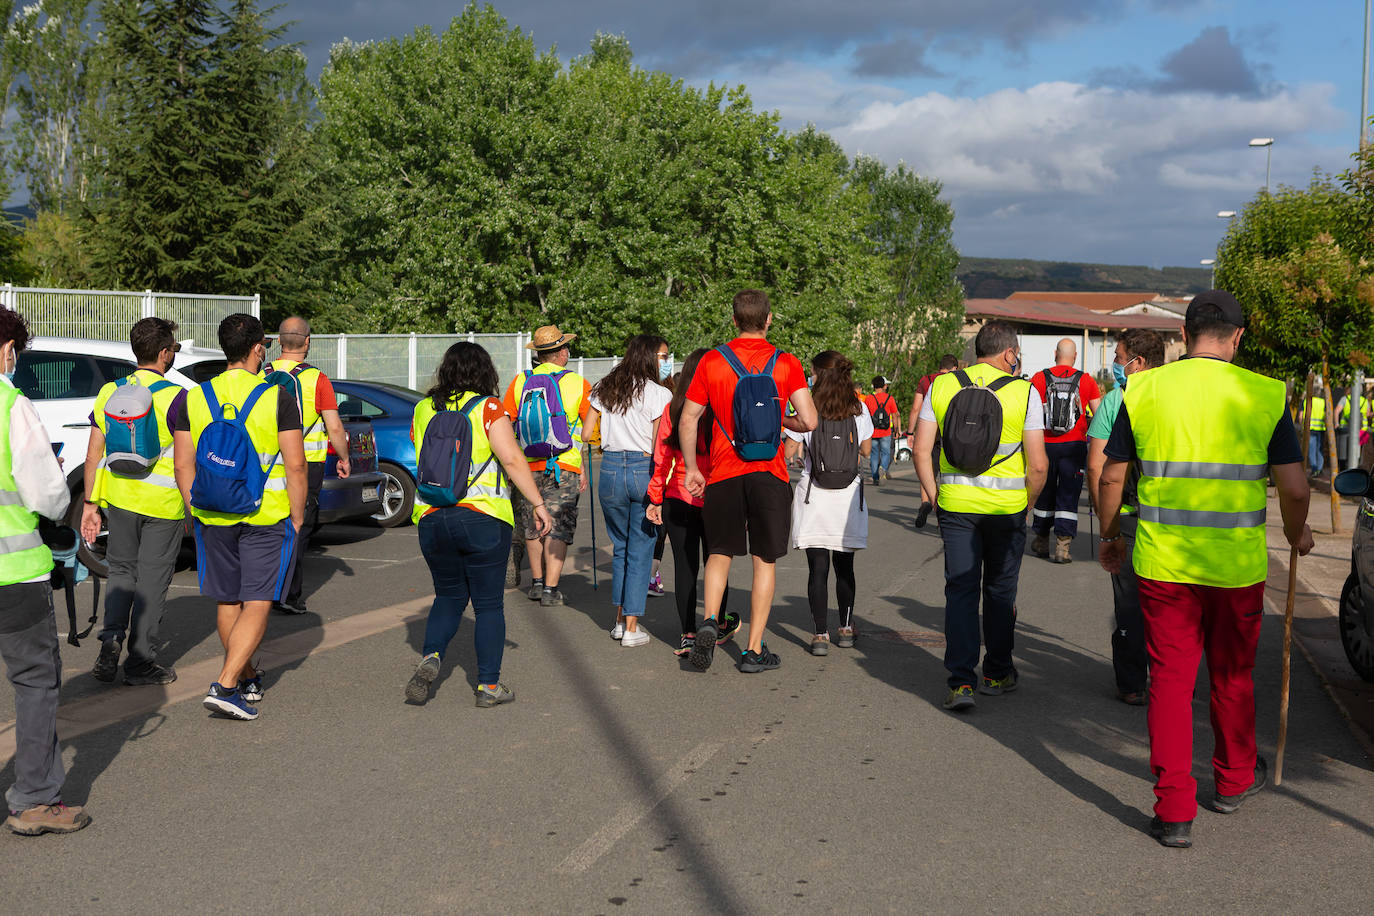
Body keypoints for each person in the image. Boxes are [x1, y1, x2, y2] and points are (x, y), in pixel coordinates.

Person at [1097, 290, 1313, 849]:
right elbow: (1293, 486)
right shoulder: (1265, 394)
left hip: (1164, 565)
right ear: (1237, 337)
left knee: (1168, 684)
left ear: (1185, 334)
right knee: (1232, 676)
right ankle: (1234, 781)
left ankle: (1174, 812)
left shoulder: (1143, 388)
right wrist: (1296, 533)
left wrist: (1110, 533)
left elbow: (1111, 477)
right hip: (1237, 570)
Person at [173, 314, 307, 721]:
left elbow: (183, 466)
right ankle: (226, 684)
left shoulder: (192, 398)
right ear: (257, 348)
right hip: (264, 514)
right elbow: (296, 465)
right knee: (259, 599)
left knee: (229, 599)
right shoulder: (277, 397)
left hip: (212, 512)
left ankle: (246, 676)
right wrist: (298, 518)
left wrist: (193, 510)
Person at [404, 343, 552, 706]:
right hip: (484, 519)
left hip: (433, 518)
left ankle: (432, 655)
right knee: (488, 605)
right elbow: (513, 459)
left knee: (449, 595)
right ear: (484, 371)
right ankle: (488, 686)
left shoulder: (423, 408)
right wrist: (537, 503)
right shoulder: (488, 408)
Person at [913, 320, 1048, 711]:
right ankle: (997, 672)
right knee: (1000, 592)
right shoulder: (1025, 393)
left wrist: (937, 497)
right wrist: (1026, 505)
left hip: (956, 506)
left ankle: (961, 682)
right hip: (1007, 510)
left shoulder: (943, 384)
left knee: (960, 590)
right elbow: (1037, 465)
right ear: (1010, 354)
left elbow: (922, 451)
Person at [680, 289, 816, 673]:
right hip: (768, 474)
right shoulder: (786, 363)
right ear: (769, 319)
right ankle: (753, 651)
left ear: (734, 320)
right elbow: (809, 421)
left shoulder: (711, 361)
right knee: (764, 561)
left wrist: (692, 467)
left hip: (723, 472)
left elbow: (688, 418)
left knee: (719, 553)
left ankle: (709, 621)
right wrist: (779, 420)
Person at [0, 308, 91, 836]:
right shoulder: (12, 406)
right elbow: (48, 494)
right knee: (34, 683)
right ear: (7, 349)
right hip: (12, 576)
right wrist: (59, 516)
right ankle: (34, 799)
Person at [82, 317, 189, 687]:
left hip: (120, 499)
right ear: (163, 354)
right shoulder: (177, 397)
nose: (173, 353)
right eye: (173, 348)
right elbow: (184, 460)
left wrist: (90, 505)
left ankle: (111, 639)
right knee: (152, 581)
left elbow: (94, 450)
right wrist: (192, 507)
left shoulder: (111, 391)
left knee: (122, 573)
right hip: (163, 504)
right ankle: (141, 662)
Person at [1084, 328, 1166, 706]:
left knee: (1130, 606)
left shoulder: (1116, 400)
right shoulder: (1176, 398)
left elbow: (1098, 467)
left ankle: (1132, 684)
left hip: (1130, 517)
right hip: (1174, 517)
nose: (1114, 366)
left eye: (1118, 359)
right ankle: (1173, 681)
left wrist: (1106, 527)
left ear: (1139, 362)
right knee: (1173, 605)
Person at [647, 349, 740, 657]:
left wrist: (655, 496)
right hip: (717, 495)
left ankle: (687, 633)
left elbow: (661, 458)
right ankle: (717, 624)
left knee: (685, 567)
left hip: (678, 495)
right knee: (718, 562)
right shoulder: (723, 407)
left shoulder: (674, 408)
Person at [586, 335, 673, 647]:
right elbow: (657, 442)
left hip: (609, 467)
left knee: (621, 546)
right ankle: (633, 625)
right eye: (662, 357)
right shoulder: (658, 393)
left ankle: (620, 621)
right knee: (641, 548)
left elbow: (585, 432)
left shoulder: (604, 387)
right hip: (642, 467)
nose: (665, 362)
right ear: (650, 357)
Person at [785, 351, 872, 655]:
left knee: (817, 568)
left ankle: (820, 634)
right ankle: (846, 628)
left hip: (814, 495)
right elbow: (865, 449)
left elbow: (789, 450)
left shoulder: (807, 407)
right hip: (847, 497)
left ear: (819, 375)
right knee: (845, 566)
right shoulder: (858, 408)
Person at [265, 317, 350, 615]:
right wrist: (344, 457)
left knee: (266, 524)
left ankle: (261, 588)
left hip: (265, 463)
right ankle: (288, 593)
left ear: (277, 340)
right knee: (298, 526)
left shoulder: (261, 373)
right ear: (307, 341)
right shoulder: (317, 379)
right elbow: (334, 427)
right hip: (306, 463)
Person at [502, 325, 592, 607]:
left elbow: (507, 422)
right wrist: (583, 467)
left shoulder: (520, 381)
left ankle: (537, 584)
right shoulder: (578, 383)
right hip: (565, 465)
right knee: (558, 526)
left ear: (539, 355)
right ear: (562, 352)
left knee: (533, 524)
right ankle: (552, 589)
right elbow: (589, 430)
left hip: (527, 466)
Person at [1029, 339, 1101, 563]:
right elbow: (1099, 415)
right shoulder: (1086, 380)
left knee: (1044, 491)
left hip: (1044, 445)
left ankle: (1041, 539)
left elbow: (1029, 413)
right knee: (1069, 493)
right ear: (1075, 355)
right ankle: (1062, 547)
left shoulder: (1039, 378)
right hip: (1074, 446)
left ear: (1055, 353)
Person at [907, 354, 958, 517]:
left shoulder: (926, 380)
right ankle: (944, 512)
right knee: (947, 470)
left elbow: (916, 408)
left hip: (929, 430)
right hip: (949, 430)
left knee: (927, 465)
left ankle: (926, 501)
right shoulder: (956, 381)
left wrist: (910, 432)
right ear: (954, 368)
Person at [863, 376, 897, 485]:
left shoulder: (868, 399)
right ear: (884, 386)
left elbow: (865, 415)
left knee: (874, 454)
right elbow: (895, 415)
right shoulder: (889, 398)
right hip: (886, 431)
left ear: (873, 386)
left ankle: (875, 477)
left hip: (873, 431)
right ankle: (883, 468)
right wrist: (896, 429)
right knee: (886, 453)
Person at [1307, 389, 1326, 476]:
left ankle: (1314, 469)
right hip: (1321, 429)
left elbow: (1300, 416)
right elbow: (1326, 415)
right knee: (1320, 449)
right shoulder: (1323, 402)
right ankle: (1320, 469)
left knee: (1312, 450)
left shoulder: (1307, 401)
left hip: (1311, 429)